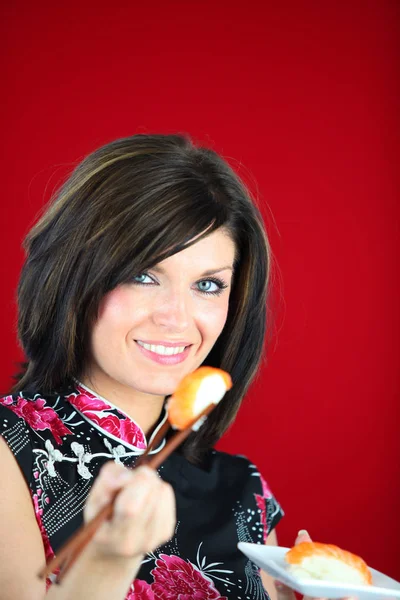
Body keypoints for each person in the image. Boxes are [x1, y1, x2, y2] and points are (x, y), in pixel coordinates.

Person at [0, 133, 295, 600]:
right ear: (72, 275)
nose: (176, 318)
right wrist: (108, 560)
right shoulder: (6, 453)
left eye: (208, 285)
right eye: (143, 275)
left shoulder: (245, 491)